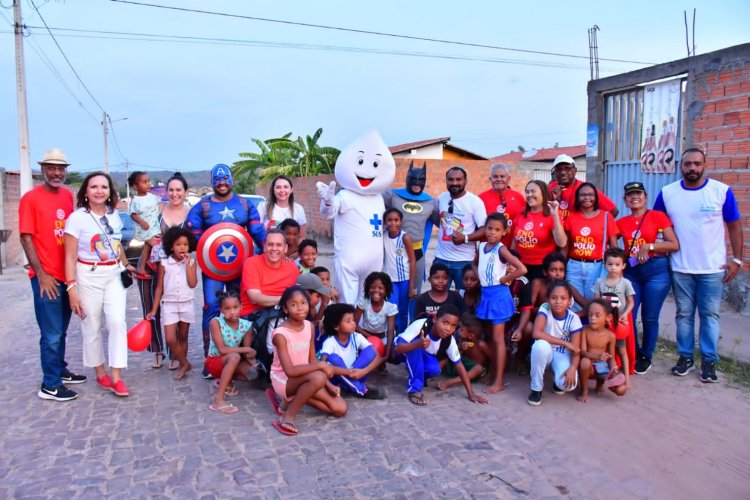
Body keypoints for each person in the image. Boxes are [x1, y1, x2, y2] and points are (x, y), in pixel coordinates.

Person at [654, 148, 744, 382]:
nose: (692, 168)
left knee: (710, 315)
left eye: (697, 163)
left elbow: (734, 225)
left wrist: (736, 260)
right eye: (687, 164)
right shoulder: (667, 193)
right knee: (683, 315)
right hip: (681, 268)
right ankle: (685, 358)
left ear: (704, 165)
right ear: (680, 166)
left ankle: (709, 362)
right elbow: (655, 225)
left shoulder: (721, 191)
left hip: (713, 270)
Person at [20, 148, 86, 401]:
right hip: (45, 277)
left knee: (61, 329)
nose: (57, 172)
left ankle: (60, 370)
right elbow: (26, 236)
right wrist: (41, 273)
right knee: (51, 333)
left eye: (61, 168)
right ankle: (50, 384)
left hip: (65, 275)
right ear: (43, 170)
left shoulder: (67, 197)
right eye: (51, 168)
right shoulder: (31, 198)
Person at [186, 163, 266, 375]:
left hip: (242, 266)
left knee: (243, 307)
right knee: (212, 307)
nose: (221, 182)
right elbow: (192, 233)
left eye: (225, 178)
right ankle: (211, 359)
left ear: (231, 180)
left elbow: (257, 229)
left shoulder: (245, 204)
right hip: (213, 269)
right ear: (212, 182)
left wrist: (270, 248)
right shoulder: (202, 206)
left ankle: (246, 355)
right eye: (217, 179)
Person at [64, 172, 136, 397]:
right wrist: (71, 289)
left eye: (103, 187)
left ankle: (116, 376)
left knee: (117, 323)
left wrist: (126, 264)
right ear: (86, 191)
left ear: (109, 191)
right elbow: (69, 256)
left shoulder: (114, 215)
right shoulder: (77, 218)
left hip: (114, 274)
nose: (99, 191)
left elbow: (116, 244)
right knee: (92, 325)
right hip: (88, 275)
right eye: (94, 186)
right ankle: (100, 372)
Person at [317, 130, 396, 305]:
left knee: (367, 301)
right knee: (347, 302)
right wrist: (328, 201)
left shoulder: (378, 199)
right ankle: (346, 331)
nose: (366, 171)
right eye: (360, 162)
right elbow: (329, 212)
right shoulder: (345, 195)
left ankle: (362, 330)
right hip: (349, 260)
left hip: (374, 260)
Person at [617, 181, 679, 375]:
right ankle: (633, 352)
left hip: (656, 271)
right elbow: (610, 242)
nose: (635, 197)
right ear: (625, 200)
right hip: (632, 273)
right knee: (629, 314)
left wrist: (649, 246)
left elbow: (673, 244)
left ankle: (646, 355)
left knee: (650, 317)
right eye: (630, 195)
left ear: (645, 197)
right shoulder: (622, 223)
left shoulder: (657, 217)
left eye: (638, 193)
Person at [269, 286, 348, 436]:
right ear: (285, 309)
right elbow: (290, 371)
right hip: (284, 380)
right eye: (293, 305)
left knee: (339, 409)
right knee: (319, 376)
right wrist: (321, 366)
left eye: (303, 303)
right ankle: (288, 415)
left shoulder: (309, 327)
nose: (300, 308)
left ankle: (293, 400)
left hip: (308, 377)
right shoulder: (281, 334)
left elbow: (312, 359)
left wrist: (329, 385)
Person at [137, 172, 191, 371]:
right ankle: (157, 349)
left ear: (185, 192)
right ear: (166, 192)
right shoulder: (157, 209)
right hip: (151, 265)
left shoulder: (190, 214)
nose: (174, 194)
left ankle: (174, 353)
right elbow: (143, 232)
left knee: (174, 309)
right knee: (151, 309)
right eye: (171, 190)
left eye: (178, 190)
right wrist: (148, 239)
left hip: (176, 270)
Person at [393, 304, 489, 406]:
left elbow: (459, 365)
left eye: (453, 326)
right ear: (435, 319)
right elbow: (397, 349)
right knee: (416, 345)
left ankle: (419, 376)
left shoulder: (448, 340)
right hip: (402, 349)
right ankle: (415, 389)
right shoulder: (421, 325)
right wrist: (417, 344)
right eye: (445, 323)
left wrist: (471, 394)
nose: (448, 329)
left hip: (420, 352)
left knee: (435, 369)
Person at [474, 213, 527, 394]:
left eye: (497, 230)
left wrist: (505, 277)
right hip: (486, 295)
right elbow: (475, 264)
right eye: (489, 228)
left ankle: (499, 381)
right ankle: (493, 373)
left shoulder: (501, 250)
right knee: (490, 338)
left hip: (499, 296)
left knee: (497, 340)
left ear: (505, 231)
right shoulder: (481, 247)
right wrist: (479, 277)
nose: (492, 233)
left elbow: (522, 268)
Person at [146, 226, 198, 380]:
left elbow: (193, 283)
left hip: (186, 303)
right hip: (169, 304)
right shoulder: (164, 263)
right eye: (178, 244)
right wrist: (154, 310)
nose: (182, 247)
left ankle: (182, 367)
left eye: (185, 244)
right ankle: (185, 362)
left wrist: (188, 265)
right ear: (170, 246)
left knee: (183, 337)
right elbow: (159, 287)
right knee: (170, 339)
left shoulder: (191, 262)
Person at [383, 161, 438, 296]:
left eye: (421, 179)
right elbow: (370, 197)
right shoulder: (392, 196)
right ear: (407, 178)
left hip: (417, 250)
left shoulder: (431, 202)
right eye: (413, 179)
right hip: (394, 251)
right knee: (391, 290)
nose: (417, 182)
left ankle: (413, 317)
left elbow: (444, 224)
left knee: (414, 292)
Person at [527, 281, 582, 407]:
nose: (558, 302)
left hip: (562, 354)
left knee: (569, 384)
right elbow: (536, 333)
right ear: (548, 299)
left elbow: (576, 349)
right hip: (545, 351)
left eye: (563, 298)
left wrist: (573, 368)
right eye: (554, 297)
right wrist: (565, 343)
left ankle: (556, 381)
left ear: (569, 301)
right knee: (539, 346)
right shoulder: (545, 308)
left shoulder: (574, 319)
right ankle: (536, 389)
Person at [433, 166, 488, 290]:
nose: (454, 183)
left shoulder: (475, 202)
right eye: (450, 179)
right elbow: (440, 220)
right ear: (446, 180)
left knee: (464, 300)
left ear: (465, 181)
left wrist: (465, 238)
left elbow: (484, 230)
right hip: (441, 258)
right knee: (438, 297)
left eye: (459, 179)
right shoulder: (442, 198)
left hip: (464, 261)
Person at [563, 182, 620, 301]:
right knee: (573, 303)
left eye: (590, 194)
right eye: (583, 195)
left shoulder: (606, 217)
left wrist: (618, 271)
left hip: (596, 267)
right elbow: (566, 247)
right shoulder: (571, 218)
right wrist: (561, 266)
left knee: (594, 302)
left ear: (596, 197)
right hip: (574, 266)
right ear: (577, 198)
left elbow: (614, 246)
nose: (587, 198)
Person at [204, 291, 258, 415]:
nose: (232, 311)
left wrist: (252, 361)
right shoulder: (216, 322)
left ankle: (226, 381)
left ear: (241, 307)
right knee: (234, 356)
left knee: (252, 373)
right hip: (215, 361)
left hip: (233, 361)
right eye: (227, 308)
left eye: (235, 307)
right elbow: (222, 349)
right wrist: (247, 350)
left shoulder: (247, 326)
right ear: (221, 310)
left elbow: (246, 352)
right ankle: (218, 400)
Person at [319, 303, 385, 399]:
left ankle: (347, 388)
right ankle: (362, 391)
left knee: (370, 352)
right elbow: (322, 366)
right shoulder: (330, 342)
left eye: (353, 320)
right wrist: (349, 372)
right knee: (333, 358)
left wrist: (363, 372)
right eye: (348, 321)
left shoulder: (356, 337)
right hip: (338, 378)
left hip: (358, 375)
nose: (353, 323)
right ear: (336, 326)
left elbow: (378, 357)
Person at [593, 248, 636, 384]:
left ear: (623, 265)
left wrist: (625, 314)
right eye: (610, 264)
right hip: (603, 323)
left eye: (617, 265)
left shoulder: (625, 283)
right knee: (603, 349)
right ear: (605, 264)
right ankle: (604, 376)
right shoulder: (599, 281)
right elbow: (596, 302)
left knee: (621, 349)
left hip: (617, 324)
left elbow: (631, 303)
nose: (613, 268)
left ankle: (627, 379)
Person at [512, 180, 567, 281]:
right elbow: (514, 241)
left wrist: (555, 216)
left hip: (541, 268)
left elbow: (562, 243)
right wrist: (511, 260)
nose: (529, 195)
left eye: (533, 191)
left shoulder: (552, 214)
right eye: (527, 192)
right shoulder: (521, 212)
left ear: (543, 193)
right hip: (520, 267)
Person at [240, 229, 299, 318]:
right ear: (264, 246)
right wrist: (284, 299)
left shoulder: (292, 267)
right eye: (270, 244)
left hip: (281, 315)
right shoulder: (251, 263)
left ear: (285, 248)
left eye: (279, 245)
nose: (274, 248)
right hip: (252, 317)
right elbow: (254, 298)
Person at [578, 299, 626, 403]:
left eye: (597, 315)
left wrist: (613, 368)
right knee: (584, 361)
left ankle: (603, 383)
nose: (592, 318)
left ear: (608, 317)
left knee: (621, 390)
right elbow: (582, 352)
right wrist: (597, 357)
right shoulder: (584, 330)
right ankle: (584, 391)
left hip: (602, 367)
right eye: (590, 315)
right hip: (589, 367)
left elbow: (611, 357)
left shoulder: (610, 336)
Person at [548, 154, 618, 221]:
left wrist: (595, 226)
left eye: (567, 168)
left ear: (575, 171)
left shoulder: (585, 189)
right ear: (555, 172)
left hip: (578, 232)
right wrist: (552, 198)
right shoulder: (551, 187)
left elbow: (613, 211)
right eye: (558, 169)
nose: (562, 172)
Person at [437, 313, 492, 392]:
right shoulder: (462, 340)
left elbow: (493, 359)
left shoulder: (481, 345)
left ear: (471, 336)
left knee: (479, 368)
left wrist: (490, 375)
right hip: (463, 368)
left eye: (462, 330)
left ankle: (449, 383)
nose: (459, 330)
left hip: (475, 372)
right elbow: (457, 356)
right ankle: (432, 374)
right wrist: (460, 348)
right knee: (448, 355)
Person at [383, 208, 417, 333]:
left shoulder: (405, 238)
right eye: (389, 220)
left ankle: (401, 336)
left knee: (403, 311)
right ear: (385, 222)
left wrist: (411, 287)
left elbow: (413, 261)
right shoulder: (383, 236)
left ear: (401, 221)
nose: (393, 223)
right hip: (390, 281)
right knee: (392, 310)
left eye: (396, 220)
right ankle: (390, 336)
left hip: (405, 280)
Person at [479, 163, 526, 247]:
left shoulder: (519, 197)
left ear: (508, 178)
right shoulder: (481, 199)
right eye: (495, 177)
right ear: (490, 179)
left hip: (512, 249)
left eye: (502, 176)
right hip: (488, 250)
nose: (499, 179)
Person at [355, 272, 398, 363]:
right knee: (365, 358)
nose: (376, 291)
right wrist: (370, 337)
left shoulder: (390, 308)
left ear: (386, 290)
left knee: (393, 357)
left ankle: (380, 362)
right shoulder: (364, 303)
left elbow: (390, 332)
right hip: (365, 337)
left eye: (380, 288)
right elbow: (354, 325)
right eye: (372, 287)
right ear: (368, 289)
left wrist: (387, 354)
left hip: (382, 339)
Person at [127, 171, 162, 277]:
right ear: (135, 186)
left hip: (154, 226)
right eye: (144, 182)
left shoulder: (152, 196)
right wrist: (142, 222)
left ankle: (142, 267)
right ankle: (153, 262)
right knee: (157, 245)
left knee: (147, 247)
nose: (148, 184)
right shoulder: (136, 200)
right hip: (145, 229)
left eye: (148, 181)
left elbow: (161, 205)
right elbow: (132, 214)